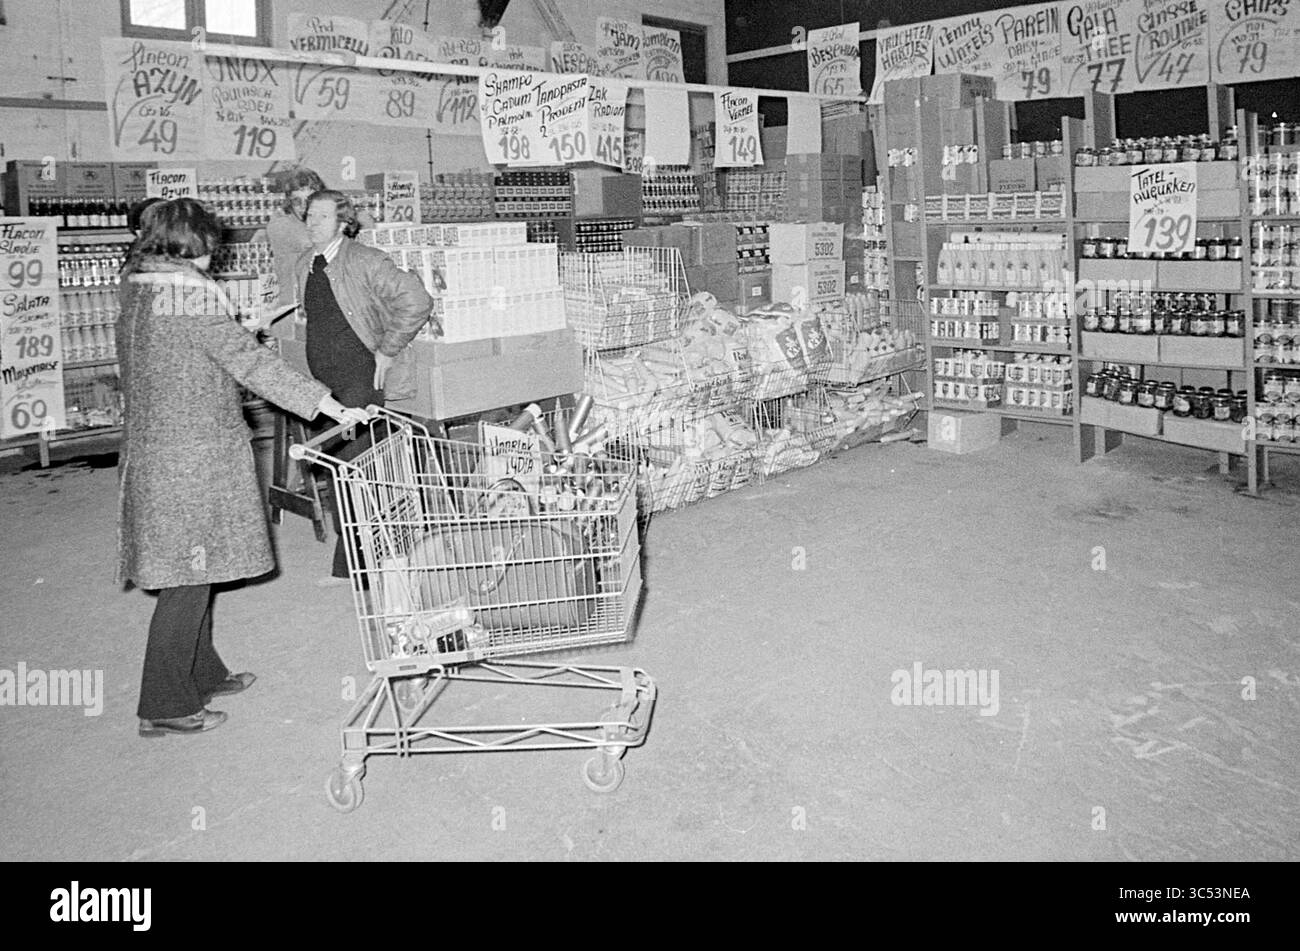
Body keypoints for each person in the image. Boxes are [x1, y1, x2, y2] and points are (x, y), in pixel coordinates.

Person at [117, 197, 368, 737]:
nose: (214, 256)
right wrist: (327, 404)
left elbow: (195, 350)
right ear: (192, 245)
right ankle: (162, 704)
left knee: (194, 567)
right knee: (186, 577)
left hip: (160, 448)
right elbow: (250, 364)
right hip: (190, 455)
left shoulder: (141, 289)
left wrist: (233, 327)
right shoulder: (187, 297)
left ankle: (202, 673)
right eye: (209, 246)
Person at [291, 189, 438, 584]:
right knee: (338, 469)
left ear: (343, 222)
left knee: (356, 469)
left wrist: (388, 350)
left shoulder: (366, 260)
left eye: (321, 217)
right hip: (325, 384)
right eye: (308, 216)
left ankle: (359, 568)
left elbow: (417, 300)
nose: (311, 223)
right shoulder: (306, 263)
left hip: (361, 378)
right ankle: (354, 565)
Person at [265, 167, 325, 312]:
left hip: (316, 305)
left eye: (310, 201)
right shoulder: (281, 222)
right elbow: (311, 241)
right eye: (297, 201)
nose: (303, 207)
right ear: (288, 201)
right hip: (291, 309)